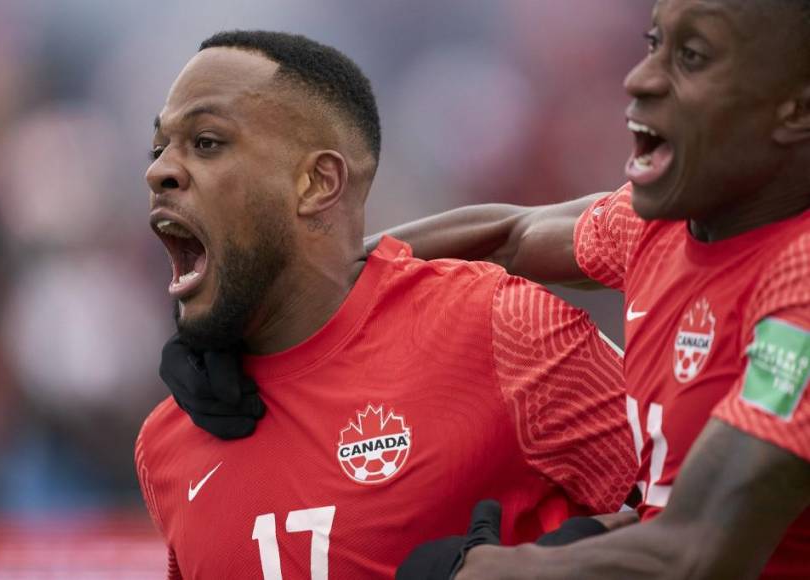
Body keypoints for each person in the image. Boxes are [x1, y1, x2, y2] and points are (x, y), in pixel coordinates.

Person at [134, 31, 638, 579]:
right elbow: (518, 234)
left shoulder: (498, 330)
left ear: (316, 182)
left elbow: (719, 524)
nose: (158, 171)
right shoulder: (166, 443)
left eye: (206, 141)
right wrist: (318, 277)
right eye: (159, 147)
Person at [384, 0, 810, 578]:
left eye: (692, 57)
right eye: (653, 44)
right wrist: (306, 288)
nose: (640, 77)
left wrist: (493, 572)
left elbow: (697, 553)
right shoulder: (657, 224)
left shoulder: (799, 280)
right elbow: (512, 234)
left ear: (796, 109)